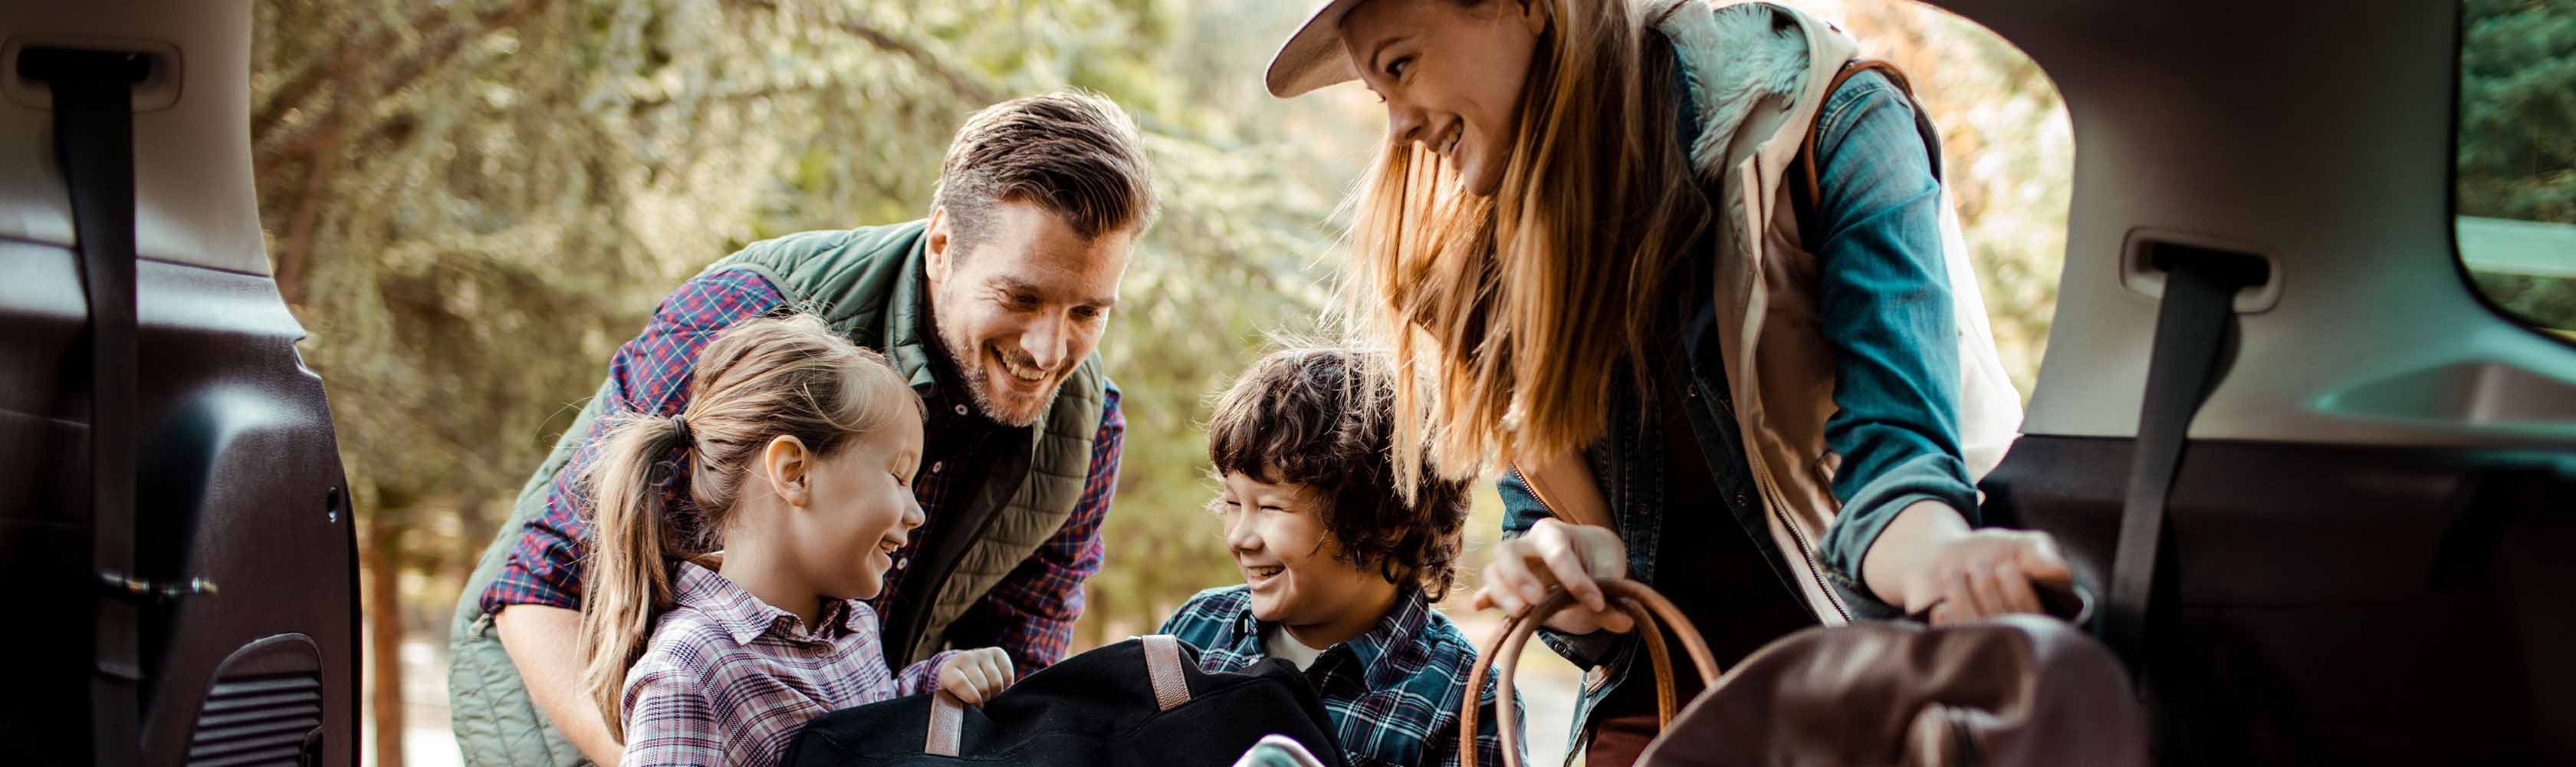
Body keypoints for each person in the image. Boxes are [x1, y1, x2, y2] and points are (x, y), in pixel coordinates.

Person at [1260, 1, 2068, 763]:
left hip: (1856, 702)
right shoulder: (1484, 277)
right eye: (1378, 95)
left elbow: (1900, 471)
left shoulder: (1837, 126)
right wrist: (1559, 566)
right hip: (1661, 720)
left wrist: (1947, 562)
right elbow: (1570, 569)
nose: (1398, 128)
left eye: (1400, 66)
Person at [445, 90, 1158, 765]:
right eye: (1020, 296)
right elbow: (542, 584)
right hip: (584, 718)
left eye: (1088, 313)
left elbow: (1012, 678)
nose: (1046, 349)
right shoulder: (752, 315)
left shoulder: (1086, 431)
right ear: (942, 244)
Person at [578, 314, 1017, 767]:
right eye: (897, 476)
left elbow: (873, 732)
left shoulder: (853, 626)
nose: (916, 512)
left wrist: (936, 684)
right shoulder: (690, 671)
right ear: (795, 472)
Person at [1158, 348, 1523, 767]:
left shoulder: (1465, 703)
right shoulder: (1196, 630)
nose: (1240, 537)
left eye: (1272, 508)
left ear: (1386, 519)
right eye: (1233, 504)